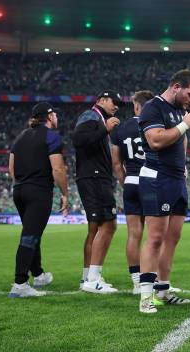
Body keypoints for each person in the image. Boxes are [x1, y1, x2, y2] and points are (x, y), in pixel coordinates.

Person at [137, 70, 190, 314]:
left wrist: (183, 164)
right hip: (157, 178)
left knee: (173, 237)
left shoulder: (177, 111)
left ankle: (162, 291)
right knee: (154, 238)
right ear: (176, 87)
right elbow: (155, 140)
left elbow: (180, 139)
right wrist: (185, 124)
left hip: (176, 179)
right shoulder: (153, 107)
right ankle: (145, 297)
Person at [7, 103, 68, 298]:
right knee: (30, 236)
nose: (56, 116)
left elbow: (11, 168)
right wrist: (64, 193)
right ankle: (20, 283)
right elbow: (57, 169)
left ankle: (39, 274)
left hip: (20, 191)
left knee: (33, 233)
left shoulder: (21, 136)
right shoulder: (52, 136)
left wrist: (23, 183)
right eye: (54, 113)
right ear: (49, 116)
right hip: (38, 191)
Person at [73, 91, 122, 293]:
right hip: (94, 177)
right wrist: (105, 128)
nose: (117, 106)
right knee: (108, 225)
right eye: (114, 102)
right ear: (101, 100)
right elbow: (78, 140)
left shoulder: (98, 118)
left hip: (96, 177)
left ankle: (88, 277)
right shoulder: (91, 116)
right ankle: (92, 279)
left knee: (95, 229)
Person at [111, 90, 154, 294]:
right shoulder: (155, 124)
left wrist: (124, 182)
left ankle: (137, 282)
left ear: (136, 106)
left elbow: (116, 163)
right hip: (151, 181)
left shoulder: (121, 129)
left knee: (133, 235)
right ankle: (154, 281)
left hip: (131, 182)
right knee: (155, 235)